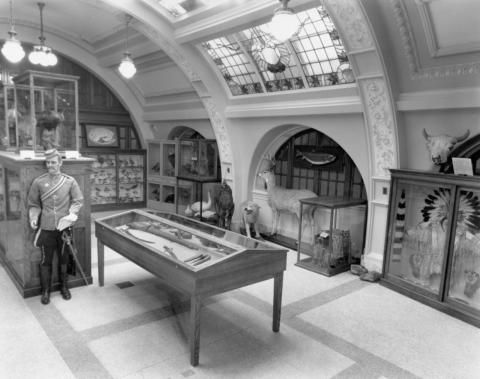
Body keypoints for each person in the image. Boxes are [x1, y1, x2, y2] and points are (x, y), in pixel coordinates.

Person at [27, 149, 84, 305]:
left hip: (64, 227)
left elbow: (78, 200)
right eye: (48, 162)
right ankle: (46, 291)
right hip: (46, 227)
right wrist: (33, 217)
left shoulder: (69, 181)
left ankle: (64, 287)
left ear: (60, 163)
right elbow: (33, 204)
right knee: (46, 259)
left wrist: (72, 214)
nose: (50, 165)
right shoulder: (38, 182)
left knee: (64, 258)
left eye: (53, 162)